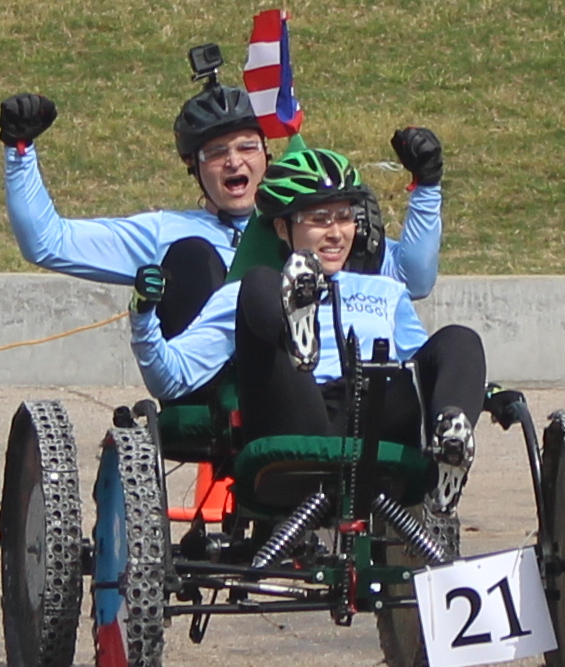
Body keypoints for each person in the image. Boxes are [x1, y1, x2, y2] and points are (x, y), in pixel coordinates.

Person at [130, 146, 484, 508]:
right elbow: (171, 379)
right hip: (298, 407)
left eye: (344, 217)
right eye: (319, 219)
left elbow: (422, 363)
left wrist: (474, 388)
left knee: (460, 339)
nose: (335, 233)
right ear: (283, 228)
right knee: (260, 285)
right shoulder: (244, 294)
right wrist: (143, 317)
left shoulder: (386, 291)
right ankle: (295, 321)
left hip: (374, 412)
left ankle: (450, 443)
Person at [0, 78, 447, 335]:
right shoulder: (165, 232)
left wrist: (426, 185)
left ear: (267, 155)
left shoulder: (315, 224)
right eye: (216, 153)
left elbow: (415, 279)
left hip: (324, 370)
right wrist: (20, 150)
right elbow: (47, 242)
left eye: (247, 147)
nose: (234, 161)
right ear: (194, 169)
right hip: (219, 377)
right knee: (194, 255)